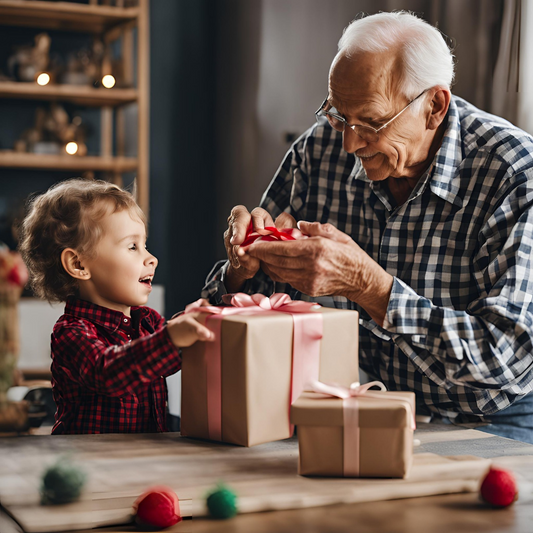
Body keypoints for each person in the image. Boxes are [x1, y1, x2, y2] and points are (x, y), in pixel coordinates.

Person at [203, 12, 533, 443]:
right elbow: (238, 312)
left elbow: (503, 359)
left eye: (371, 122)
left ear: (434, 107)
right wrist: (243, 269)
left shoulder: (513, 173)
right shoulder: (318, 150)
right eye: (338, 115)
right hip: (363, 404)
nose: (349, 143)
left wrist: (371, 288)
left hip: (486, 417)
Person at [19, 178, 213, 434]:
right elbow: (107, 372)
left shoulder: (149, 322)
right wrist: (172, 338)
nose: (152, 259)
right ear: (79, 265)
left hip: (146, 459)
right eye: (132, 246)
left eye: (145, 245)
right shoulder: (71, 332)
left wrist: (199, 325)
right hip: (91, 463)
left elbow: (176, 355)